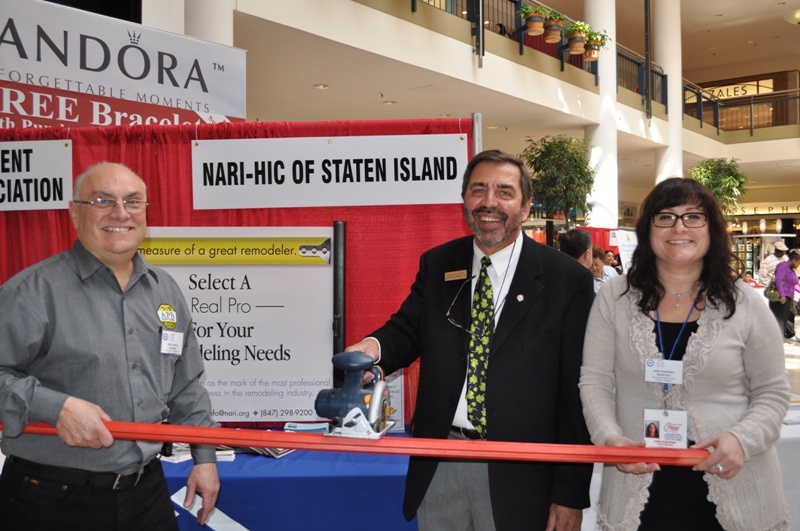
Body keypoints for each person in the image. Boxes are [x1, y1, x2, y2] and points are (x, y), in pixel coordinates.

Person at [345, 150, 595, 531]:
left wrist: (569, 495)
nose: (489, 202)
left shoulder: (566, 280)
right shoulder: (439, 264)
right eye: (479, 190)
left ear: (526, 206)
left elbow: (576, 396)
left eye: (504, 192)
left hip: (523, 474)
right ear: (464, 200)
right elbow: (407, 330)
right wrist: (372, 349)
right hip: (441, 460)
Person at [0, 162, 220, 529]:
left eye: (133, 202)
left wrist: (204, 457)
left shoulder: (165, 290)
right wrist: (56, 407)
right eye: (103, 200)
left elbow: (186, 384)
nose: (121, 213)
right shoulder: (31, 293)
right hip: (49, 500)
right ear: (74, 212)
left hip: (146, 493)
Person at [579, 177, 791, 531]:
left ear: (712, 228)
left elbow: (773, 392)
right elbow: (595, 381)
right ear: (649, 229)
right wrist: (610, 439)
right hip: (638, 493)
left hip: (733, 486)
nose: (679, 227)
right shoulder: (614, 299)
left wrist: (742, 439)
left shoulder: (745, 304)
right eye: (666, 217)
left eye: (694, 216)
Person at [769, 250, 800, 343]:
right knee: (780, 317)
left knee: (788, 316)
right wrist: (782, 296)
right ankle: (779, 337)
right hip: (781, 296)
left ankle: (787, 335)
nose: (798, 264)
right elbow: (778, 281)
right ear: (793, 260)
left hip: (789, 296)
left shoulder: (791, 270)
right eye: (798, 262)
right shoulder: (783, 266)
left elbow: (793, 284)